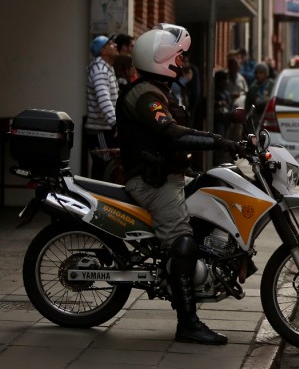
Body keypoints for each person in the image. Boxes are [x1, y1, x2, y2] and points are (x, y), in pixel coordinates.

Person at [116, 23, 244, 346]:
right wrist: (219, 141)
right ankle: (187, 323)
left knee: (213, 196)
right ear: (161, 58)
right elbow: (171, 133)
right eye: (178, 57)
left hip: (168, 175)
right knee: (182, 243)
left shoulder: (158, 90)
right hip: (150, 182)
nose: (182, 64)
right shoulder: (145, 95)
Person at [86, 34, 120, 180]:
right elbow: (104, 99)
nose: (115, 45)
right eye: (111, 44)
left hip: (105, 128)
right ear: (103, 51)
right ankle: (98, 199)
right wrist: (115, 123)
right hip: (100, 129)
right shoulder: (100, 70)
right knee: (105, 166)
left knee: (106, 166)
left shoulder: (106, 68)